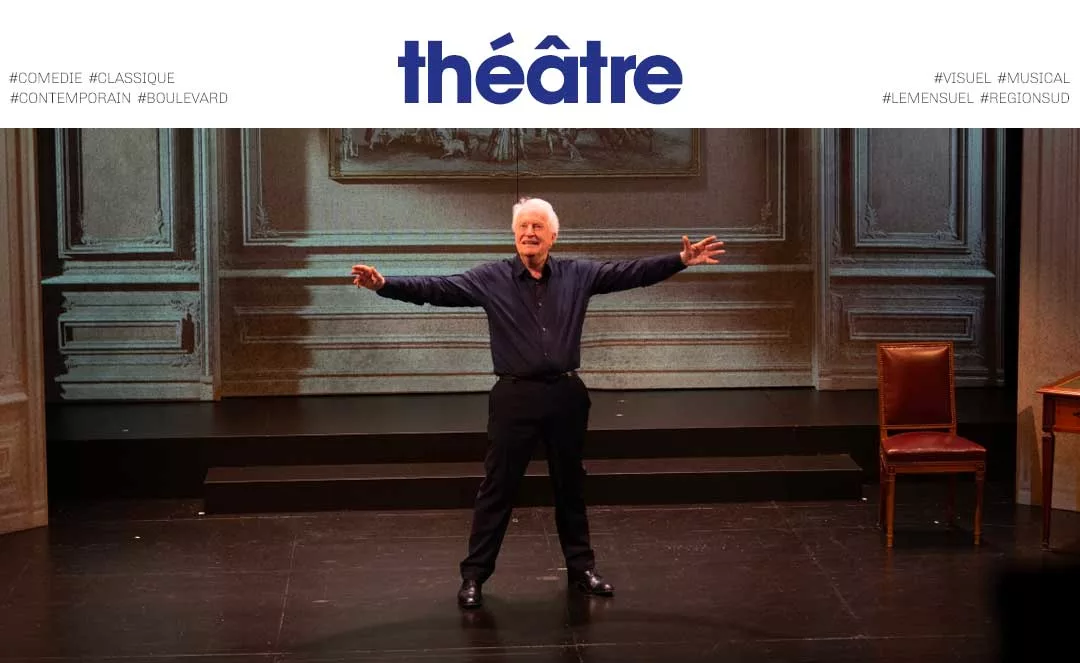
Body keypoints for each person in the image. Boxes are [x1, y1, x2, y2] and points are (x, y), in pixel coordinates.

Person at [350, 197, 725, 609]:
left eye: (538, 227)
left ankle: (581, 569)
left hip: (566, 395)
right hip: (515, 396)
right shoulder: (490, 278)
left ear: (553, 236)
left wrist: (679, 260)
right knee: (498, 488)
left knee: (570, 486)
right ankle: (474, 576)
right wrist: (384, 285)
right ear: (514, 234)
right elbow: (436, 289)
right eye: (523, 226)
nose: (530, 233)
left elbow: (629, 273)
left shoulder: (578, 274)